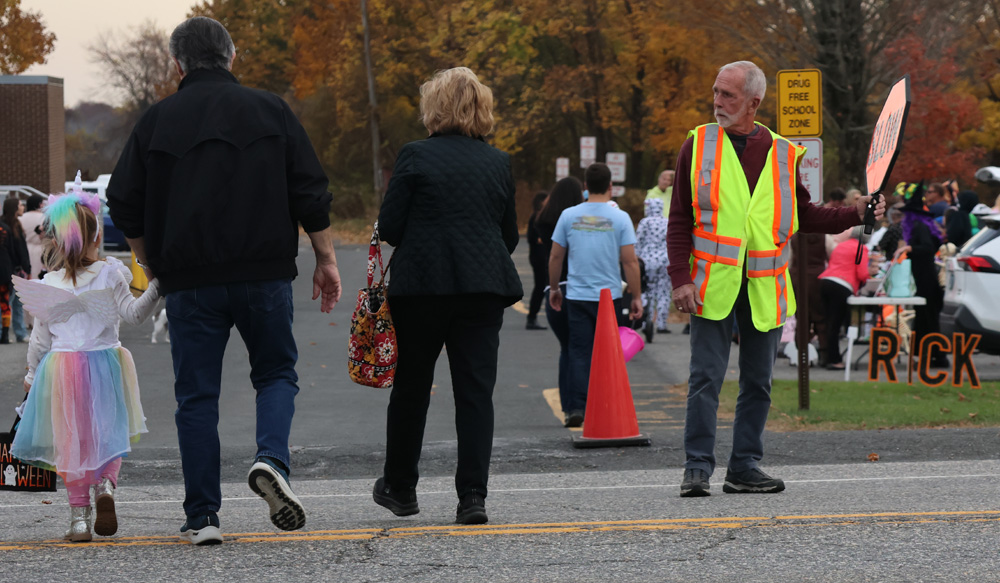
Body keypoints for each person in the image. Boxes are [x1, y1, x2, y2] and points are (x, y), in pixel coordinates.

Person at [107, 16, 342, 545]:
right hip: (264, 275)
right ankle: (272, 461)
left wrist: (152, 265)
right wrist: (326, 258)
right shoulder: (272, 110)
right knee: (276, 373)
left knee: (196, 397)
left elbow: (123, 200)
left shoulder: (156, 122)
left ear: (177, 65)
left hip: (189, 283)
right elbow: (310, 189)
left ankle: (202, 517)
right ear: (232, 57)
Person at [667, 61, 884, 497]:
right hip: (713, 285)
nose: (717, 101)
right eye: (716, 92)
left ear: (754, 102)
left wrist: (855, 213)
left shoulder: (783, 152)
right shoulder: (698, 143)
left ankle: (744, 466)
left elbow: (804, 214)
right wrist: (679, 278)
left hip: (764, 286)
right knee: (706, 377)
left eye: (727, 95)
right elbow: (679, 219)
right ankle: (697, 468)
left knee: (758, 382)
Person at [372, 67, 522, 526]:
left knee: (412, 388)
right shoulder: (498, 163)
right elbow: (508, 235)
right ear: (482, 108)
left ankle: (401, 488)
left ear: (433, 108)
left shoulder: (415, 156)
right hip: (482, 289)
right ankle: (472, 496)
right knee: (476, 394)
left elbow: (391, 227)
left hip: (421, 288)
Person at [11, 191, 161, 542]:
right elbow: (135, 315)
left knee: (70, 442)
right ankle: (106, 485)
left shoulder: (48, 284)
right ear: (96, 236)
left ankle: (79, 519)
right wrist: (157, 286)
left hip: (61, 370)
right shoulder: (111, 274)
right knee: (109, 433)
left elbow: (40, 340)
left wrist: (32, 376)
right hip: (106, 363)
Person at [548, 163, 643, 428]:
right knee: (608, 353)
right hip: (609, 295)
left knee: (579, 351)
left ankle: (577, 407)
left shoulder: (569, 215)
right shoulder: (620, 218)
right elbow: (630, 261)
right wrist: (636, 296)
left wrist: (554, 288)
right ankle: (604, 404)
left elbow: (556, 255)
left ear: (586, 187)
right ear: (611, 186)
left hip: (577, 293)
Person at [536, 177, 585, 416]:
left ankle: (568, 407)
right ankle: (580, 403)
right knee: (581, 349)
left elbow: (551, 257)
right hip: (578, 287)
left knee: (566, 349)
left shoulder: (543, 221)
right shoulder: (577, 221)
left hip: (553, 287)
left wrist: (552, 287)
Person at [896, 182, 948, 368]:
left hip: (927, 281)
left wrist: (909, 248)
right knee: (926, 320)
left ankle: (935, 357)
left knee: (927, 321)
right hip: (925, 280)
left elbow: (926, 248)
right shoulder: (921, 226)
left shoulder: (918, 227)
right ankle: (933, 357)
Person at [819, 227, 878, 370]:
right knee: (836, 324)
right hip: (841, 285)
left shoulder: (841, 246)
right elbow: (862, 273)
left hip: (825, 281)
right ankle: (834, 360)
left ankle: (828, 356)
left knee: (829, 323)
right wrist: (870, 273)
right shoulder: (861, 249)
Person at [635, 197, 671, 334]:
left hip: (647, 260)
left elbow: (638, 241)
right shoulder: (667, 222)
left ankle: (646, 322)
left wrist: (636, 258)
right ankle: (662, 325)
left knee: (647, 291)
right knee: (663, 292)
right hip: (665, 260)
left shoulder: (645, 222)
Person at [3, 197, 30, 342]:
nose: (22, 207)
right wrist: (27, 267)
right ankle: (12, 332)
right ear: (14, 208)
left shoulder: (11, 225)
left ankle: (19, 332)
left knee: (16, 302)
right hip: (13, 270)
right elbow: (19, 250)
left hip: (14, 269)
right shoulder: (11, 227)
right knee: (11, 302)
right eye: (20, 204)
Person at [526, 192, 549, 330]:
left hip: (542, 257)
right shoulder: (536, 217)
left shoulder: (544, 217)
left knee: (543, 287)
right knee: (540, 287)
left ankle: (532, 317)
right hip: (538, 257)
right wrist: (542, 239)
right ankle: (531, 318)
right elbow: (531, 237)